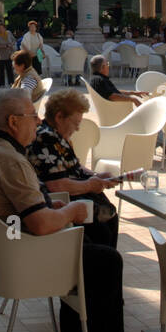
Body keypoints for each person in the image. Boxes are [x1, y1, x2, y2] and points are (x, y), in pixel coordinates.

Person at [0, 90, 135, 332]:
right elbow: (42, 225)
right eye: (33, 116)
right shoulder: (10, 159)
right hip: (22, 255)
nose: (38, 120)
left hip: (4, 249)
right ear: (14, 122)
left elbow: (28, 206)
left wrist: (49, 205)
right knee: (106, 261)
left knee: (91, 243)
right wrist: (71, 211)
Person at [28, 89, 121, 247]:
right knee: (104, 238)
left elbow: (74, 167)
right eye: (76, 123)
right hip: (65, 205)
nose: (77, 129)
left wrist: (97, 176)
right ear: (59, 117)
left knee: (107, 226)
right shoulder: (46, 138)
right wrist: (91, 184)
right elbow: (56, 184)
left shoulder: (56, 137)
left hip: (78, 201)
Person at [0, 22, 16, 88]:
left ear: (5, 28)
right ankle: (1, 84)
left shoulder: (9, 33)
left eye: (2, 28)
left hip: (9, 55)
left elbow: (14, 40)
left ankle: (11, 83)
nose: (1, 29)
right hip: (0, 56)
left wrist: (11, 44)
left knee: (10, 70)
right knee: (0, 71)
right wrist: (3, 46)